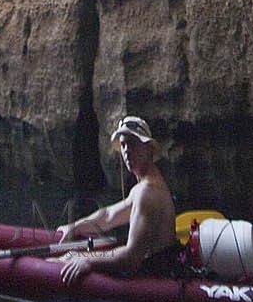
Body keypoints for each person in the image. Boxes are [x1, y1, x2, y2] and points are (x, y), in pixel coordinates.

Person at [57, 115, 181, 284]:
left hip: (155, 278)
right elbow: (109, 215)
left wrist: (87, 259)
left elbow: (131, 257)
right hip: (156, 268)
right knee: (70, 256)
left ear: (149, 150)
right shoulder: (145, 185)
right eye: (123, 145)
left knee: (68, 259)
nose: (126, 150)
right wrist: (75, 227)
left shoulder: (147, 191)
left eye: (132, 143)